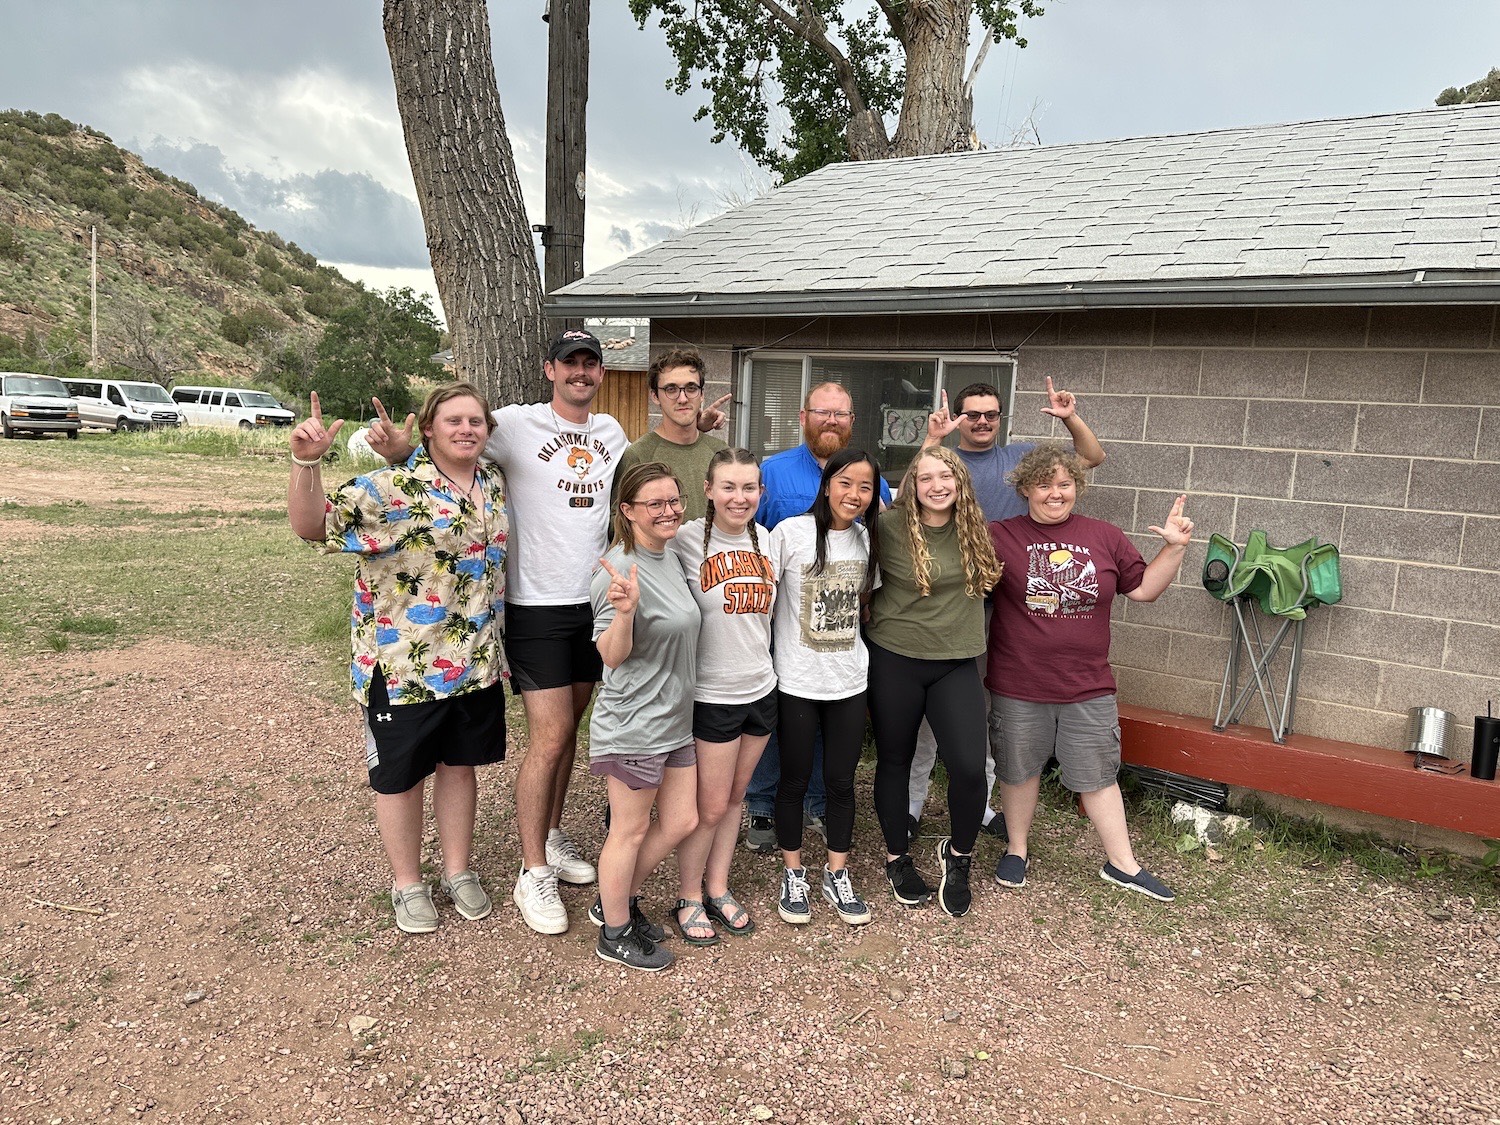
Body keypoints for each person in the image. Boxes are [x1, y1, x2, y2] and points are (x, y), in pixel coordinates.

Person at [367, 329, 624, 936]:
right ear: (549, 369)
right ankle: (532, 870)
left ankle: (554, 838)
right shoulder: (513, 424)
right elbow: (454, 450)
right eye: (570, 364)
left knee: (571, 733)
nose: (580, 373)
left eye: (591, 364)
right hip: (534, 606)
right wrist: (402, 454)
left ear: (601, 374)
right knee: (552, 734)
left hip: (592, 602)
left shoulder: (613, 434)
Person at [287, 385, 509, 934]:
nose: (467, 430)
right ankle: (407, 882)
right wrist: (305, 463)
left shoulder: (494, 484)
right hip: (403, 666)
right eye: (453, 420)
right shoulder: (391, 488)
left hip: (475, 660)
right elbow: (312, 525)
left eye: (476, 421)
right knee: (401, 778)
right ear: (429, 428)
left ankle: (458, 870)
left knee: (460, 767)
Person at [987, 444, 1192, 902]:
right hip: (1019, 681)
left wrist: (1174, 549)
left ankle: (1123, 864)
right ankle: (1017, 849)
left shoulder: (1105, 536)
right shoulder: (999, 534)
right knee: (1019, 771)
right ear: (1025, 489)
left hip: (1087, 685)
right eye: (1044, 484)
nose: (1055, 494)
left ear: (1077, 487)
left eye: (1064, 484)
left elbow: (1142, 591)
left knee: (1098, 774)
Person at [906, 378, 1107, 844]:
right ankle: (911, 806)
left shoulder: (1019, 458)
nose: (981, 422)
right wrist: (933, 439)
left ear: (1001, 418)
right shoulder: (943, 464)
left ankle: (980, 806)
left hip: (1008, 610)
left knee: (985, 714)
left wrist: (1069, 417)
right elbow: (908, 497)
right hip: (949, 606)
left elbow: (1092, 458)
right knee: (926, 722)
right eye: (971, 414)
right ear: (958, 418)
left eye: (990, 414)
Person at [743, 382, 893, 852]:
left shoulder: (871, 498)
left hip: (841, 648)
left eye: (841, 414)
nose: (832, 420)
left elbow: (881, 542)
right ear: (804, 414)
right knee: (779, 727)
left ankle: (817, 804)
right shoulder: (775, 472)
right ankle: (764, 804)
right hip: (782, 623)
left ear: (852, 421)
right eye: (823, 412)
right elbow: (750, 535)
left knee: (829, 731)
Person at [866, 446, 1004, 918]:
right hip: (895, 657)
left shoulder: (976, 532)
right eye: (925, 478)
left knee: (968, 766)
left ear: (960, 480)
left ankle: (958, 856)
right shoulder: (887, 527)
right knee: (895, 762)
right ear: (912, 485)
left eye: (945, 475)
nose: (936, 485)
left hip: (956, 662)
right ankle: (896, 859)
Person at [589, 462, 702, 971]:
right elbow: (611, 657)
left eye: (673, 500)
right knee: (629, 831)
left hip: (674, 719)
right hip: (634, 724)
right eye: (654, 504)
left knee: (682, 819)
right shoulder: (617, 570)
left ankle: (616, 902)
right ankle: (614, 932)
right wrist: (627, 612)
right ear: (627, 511)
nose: (668, 510)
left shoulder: (671, 555)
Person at [767, 448, 882, 926]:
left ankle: (838, 873)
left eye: (865, 487)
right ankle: (793, 873)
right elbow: (764, 601)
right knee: (792, 779)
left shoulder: (867, 541)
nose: (853, 495)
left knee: (840, 781)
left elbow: (867, 607)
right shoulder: (790, 534)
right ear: (827, 483)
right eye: (845, 483)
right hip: (797, 679)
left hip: (849, 680)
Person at [666, 448, 777, 942]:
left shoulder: (768, 541)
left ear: (761, 492)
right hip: (712, 693)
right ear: (708, 490)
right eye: (728, 487)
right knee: (708, 806)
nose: (739, 497)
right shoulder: (686, 541)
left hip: (761, 687)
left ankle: (717, 885)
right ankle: (688, 895)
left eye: (749, 487)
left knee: (735, 798)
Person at [612, 348, 733, 522]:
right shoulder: (639, 455)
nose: (682, 398)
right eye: (671, 389)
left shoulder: (720, 452)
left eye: (691, 388)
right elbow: (616, 520)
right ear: (655, 396)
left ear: (701, 395)